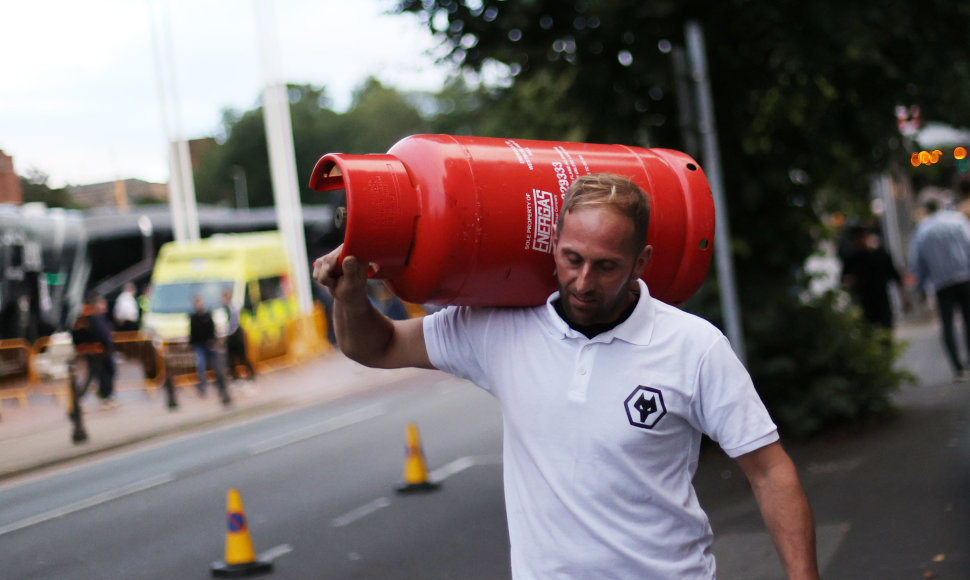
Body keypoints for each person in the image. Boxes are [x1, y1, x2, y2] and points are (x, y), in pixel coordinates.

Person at [313, 173, 819, 579]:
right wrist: (351, 297)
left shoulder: (694, 346)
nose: (582, 281)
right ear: (552, 242)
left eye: (606, 266)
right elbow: (376, 346)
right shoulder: (500, 328)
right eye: (571, 258)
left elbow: (769, 470)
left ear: (641, 262)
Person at [908, 198, 970, 381]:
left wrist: (920, 287)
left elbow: (917, 262)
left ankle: (958, 368)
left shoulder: (923, 230)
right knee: (968, 320)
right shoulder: (958, 221)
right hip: (965, 277)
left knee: (948, 325)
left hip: (941, 283)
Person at [840, 225, 903, 328]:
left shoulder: (879, 255)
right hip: (863, 304)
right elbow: (844, 280)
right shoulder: (851, 258)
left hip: (881, 303)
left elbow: (895, 276)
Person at [71, 295, 117, 406]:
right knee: (95, 374)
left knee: (99, 374)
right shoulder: (88, 319)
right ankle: (97, 396)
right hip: (96, 351)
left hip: (101, 351)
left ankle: (104, 395)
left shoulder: (97, 318)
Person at [188, 295, 231, 406]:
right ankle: (202, 386)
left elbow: (212, 329)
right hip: (199, 345)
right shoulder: (193, 317)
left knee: (216, 365)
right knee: (201, 366)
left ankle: (221, 384)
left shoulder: (207, 315)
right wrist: (192, 344)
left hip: (209, 344)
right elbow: (192, 332)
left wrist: (213, 341)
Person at [220, 289, 256, 383]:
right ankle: (235, 377)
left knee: (243, 357)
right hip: (231, 337)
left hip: (237, 335)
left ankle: (251, 374)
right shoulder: (225, 308)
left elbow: (234, 323)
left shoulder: (234, 307)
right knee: (231, 359)